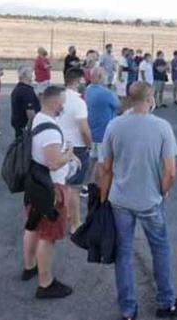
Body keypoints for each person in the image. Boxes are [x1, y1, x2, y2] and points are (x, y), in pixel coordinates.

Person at [99, 82, 177, 320]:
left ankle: (128, 311)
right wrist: (162, 190)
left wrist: (102, 197)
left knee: (124, 254)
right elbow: (170, 171)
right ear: (150, 98)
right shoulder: (162, 127)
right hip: (150, 200)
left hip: (120, 201)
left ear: (129, 99)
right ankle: (166, 302)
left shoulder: (114, 125)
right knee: (160, 249)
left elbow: (105, 167)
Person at [25, 85, 77, 299]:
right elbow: (54, 162)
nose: (64, 106)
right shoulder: (50, 129)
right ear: (55, 103)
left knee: (33, 227)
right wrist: (70, 154)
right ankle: (45, 283)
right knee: (48, 235)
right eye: (62, 102)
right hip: (51, 189)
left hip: (35, 185)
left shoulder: (37, 119)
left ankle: (30, 267)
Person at [57, 68, 92, 232]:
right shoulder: (78, 102)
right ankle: (75, 223)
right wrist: (89, 144)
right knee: (74, 188)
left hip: (59, 144)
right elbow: (84, 129)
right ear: (77, 81)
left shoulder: (58, 98)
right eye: (83, 80)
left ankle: (62, 217)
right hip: (76, 147)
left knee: (61, 184)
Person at [84, 66, 118, 197]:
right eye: (104, 75)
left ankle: (86, 184)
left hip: (92, 130)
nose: (106, 77)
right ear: (99, 77)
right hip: (103, 132)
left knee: (92, 160)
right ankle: (99, 187)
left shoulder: (88, 89)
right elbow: (118, 106)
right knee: (102, 162)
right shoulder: (105, 93)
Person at [10, 66, 41, 139]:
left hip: (19, 124)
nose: (33, 75)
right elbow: (30, 112)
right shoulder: (26, 91)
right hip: (24, 125)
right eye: (31, 73)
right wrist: (33, 127)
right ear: (25, 75)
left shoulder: (18, 88)